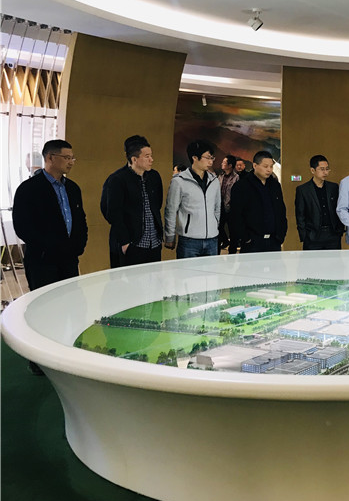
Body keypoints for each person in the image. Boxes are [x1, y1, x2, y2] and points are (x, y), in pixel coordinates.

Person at [12, 139, 88, 375]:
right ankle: (38, 361)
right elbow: (23, 227)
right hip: (42, 260)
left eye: (72, 158)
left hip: (68, 259)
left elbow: (81, 221)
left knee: (69, 307)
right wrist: (49, 247)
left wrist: (78, 245)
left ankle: (63, 353)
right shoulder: (29, 189)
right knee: (42, 310)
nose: (71, 162)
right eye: (67, 158)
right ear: (50, 158)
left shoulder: (72, 188)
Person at [100, 135, 163, 268]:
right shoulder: (117, 179)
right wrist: (125, 242)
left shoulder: (154, 176)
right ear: (134, 159)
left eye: (151, 155)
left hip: (154, 243)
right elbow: (111, 213)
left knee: (154, 279)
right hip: (131, 244)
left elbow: (158, 204)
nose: (151, 160)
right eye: (147, 156)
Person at [164, 140, 221, 258]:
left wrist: (215, 225)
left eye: (212, 158)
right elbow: (171, 210)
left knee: (211, 270)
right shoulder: (179, 181)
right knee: (187, 270)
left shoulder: (214, 181)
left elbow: (217, 208)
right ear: (195, 157)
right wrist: (170, 236)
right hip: (189, 240)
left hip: (212, 239)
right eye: (207, 157)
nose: (211, 161)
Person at [229, 150, 287, 253]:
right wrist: (245, 237)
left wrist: (281, 234)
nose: (269, 170)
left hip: (274, 240)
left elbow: (281, 210)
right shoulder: (242, 186)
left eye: (271, 166)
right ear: (255, 165)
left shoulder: (275, 185)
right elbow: (236, 214)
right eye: (265, 166)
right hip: (252, 242)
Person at [294, 154, 344, 250]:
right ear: (312, 170)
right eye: (322, 169)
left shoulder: (334, 187)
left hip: (333, 235)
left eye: (327, 169)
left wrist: (340, 231)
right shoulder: (303, 190)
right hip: (313, 236)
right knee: (313, 260)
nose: (325, 172)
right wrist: (304, 236)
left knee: (334, 259)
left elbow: (340, 208)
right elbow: (300, 215)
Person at [217, 154, 240, 251]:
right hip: (220, 206)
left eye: (224, 162)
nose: (222, 164)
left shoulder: (236, 177)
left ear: (230, 165)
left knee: (232, 230)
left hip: (231, 207)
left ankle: (232, 251)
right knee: (218, 228)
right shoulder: (220, 176)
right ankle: (223, 243)